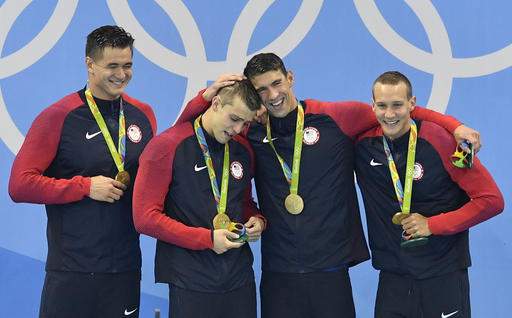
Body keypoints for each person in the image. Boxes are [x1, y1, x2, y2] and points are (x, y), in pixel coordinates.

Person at [176, 53, 480, 318]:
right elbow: (184, 133)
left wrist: (454, 126)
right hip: (279, 273)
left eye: (277, 83)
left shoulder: (335, 117)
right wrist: (207, 95)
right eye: (262, 89)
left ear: (290, 78)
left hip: (331, 272)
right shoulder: (249, 132)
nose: (273, 95)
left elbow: (397, 114)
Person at [8, 25, 156, 318]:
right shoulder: (58, 116)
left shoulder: (143, 114)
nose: (121, 74)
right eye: (112, 65)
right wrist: (84, 187)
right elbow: (19, 185)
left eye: (127, 65)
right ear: (90, 64)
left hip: (125, 268)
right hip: (72, 270)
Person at [355, 71, 504, 318]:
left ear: (412, 104)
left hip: (443, 273)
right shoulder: (361, 144)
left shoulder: (446, 141)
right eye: (382, 106)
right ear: (373, 106)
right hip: (393, 278)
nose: (389, 114)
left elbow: (491, 200)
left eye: (398, 105)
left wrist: (432, 225)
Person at [133, 79, 266, 318]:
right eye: (234, 119)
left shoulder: (242, 150)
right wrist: (206, 239)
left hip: (239, 278)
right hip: (190, 279)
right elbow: (144, 218)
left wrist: (256, 219)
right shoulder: (166, 146)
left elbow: (243, 202)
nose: (237, 129)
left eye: (244, 123)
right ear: (215, 103)